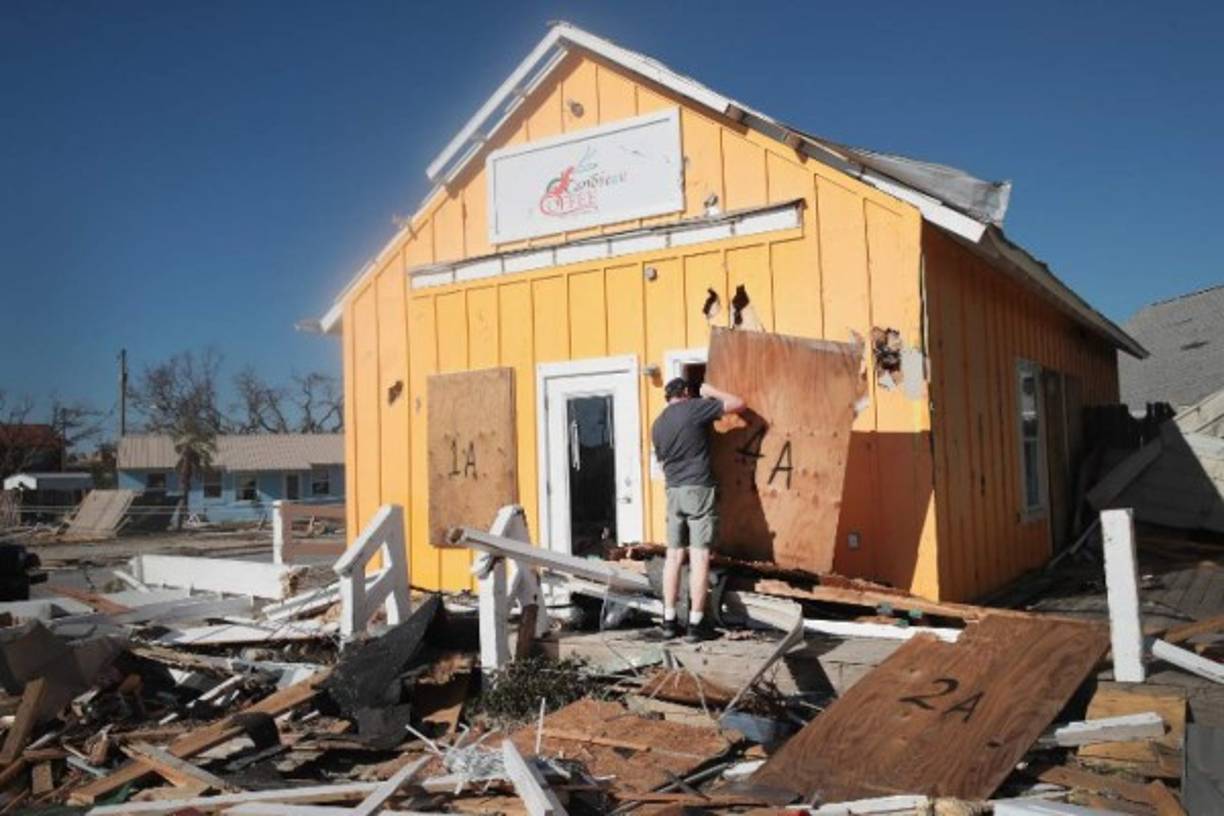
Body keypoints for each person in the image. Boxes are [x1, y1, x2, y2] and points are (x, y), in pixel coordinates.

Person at [650, 376, 746, 641]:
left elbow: (661, 460)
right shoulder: (694, 408)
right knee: (700, 556)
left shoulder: (657, 424)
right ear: (687, 393)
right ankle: (696, 624)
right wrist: (710, 390)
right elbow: (739, 404)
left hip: (673, 492)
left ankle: (668, 621)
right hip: (698, 490)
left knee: (673, 557)